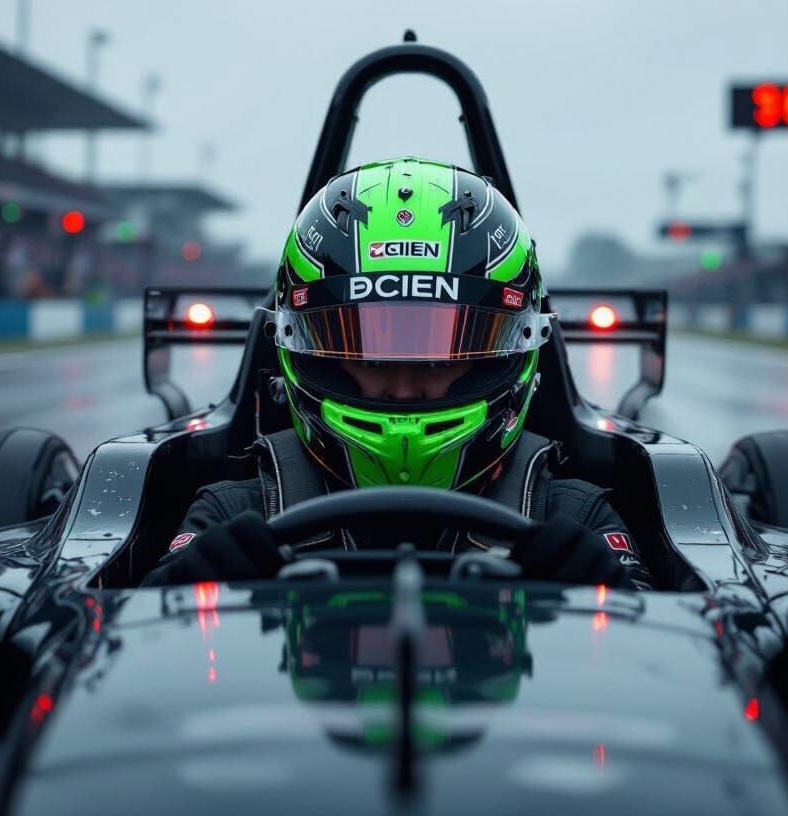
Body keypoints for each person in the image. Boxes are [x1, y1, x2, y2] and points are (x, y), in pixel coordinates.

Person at [145, 158, 651, 589]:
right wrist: (186, 595)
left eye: (438, 359)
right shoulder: (234, 517)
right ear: (303, 351)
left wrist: (610, 603)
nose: (404, 390)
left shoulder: (574, 519)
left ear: (509, 353)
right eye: (371, 357)